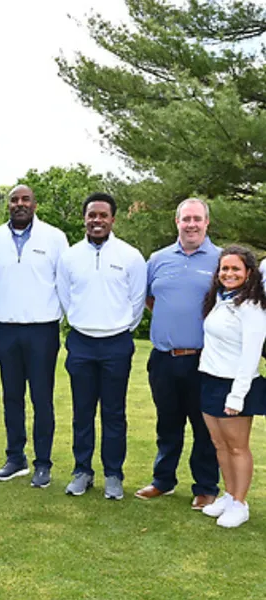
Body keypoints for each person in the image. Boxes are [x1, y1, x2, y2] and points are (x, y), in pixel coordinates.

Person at [56, 192, 146, 500]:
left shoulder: (130, 256)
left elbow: (136, 302)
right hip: (81, 342)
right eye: (91, 215)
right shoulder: (69, 256)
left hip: (116, 343)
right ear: (84, 218)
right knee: (82, 411)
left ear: (112, 220)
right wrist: (84, 322)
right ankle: (82, 471)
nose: (96, 220)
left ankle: (113, 474)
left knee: (114, 412)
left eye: (102, 216)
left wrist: (119, 328)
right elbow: (65, 297)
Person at [135, 199, 220, 509]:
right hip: (164, 358)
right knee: (167, 423)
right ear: (177, 222)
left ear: (207, 223)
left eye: (197, 219)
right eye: (186, 219)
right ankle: (163, 481)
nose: (192, 224)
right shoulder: (157, 259)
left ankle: (206, 486)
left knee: (204, 426)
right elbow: (148, 298)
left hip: (204, 360)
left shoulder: (220, 259)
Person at [0, 185, 69, 488]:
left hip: (42, 330)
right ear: (8, 205)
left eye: (25, 200)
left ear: (35, 205)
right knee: (11, 397)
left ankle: (43, 463)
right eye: (14, 200)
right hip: (7, 329)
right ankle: (15, 458)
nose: (19, 204)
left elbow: (65, 282)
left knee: (41, 398)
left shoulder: (55, 237)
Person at [198, 246, 266, 528]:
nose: (229, 273)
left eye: (236, 268)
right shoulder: (220, 299)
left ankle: (240, 503)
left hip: (236, 385)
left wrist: (237, 396)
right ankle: (228, 494)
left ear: (249, 273)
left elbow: (251, 354)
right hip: (210, 379)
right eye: (224, 268)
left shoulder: (252, 307)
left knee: (237, 447)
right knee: (219, 445)